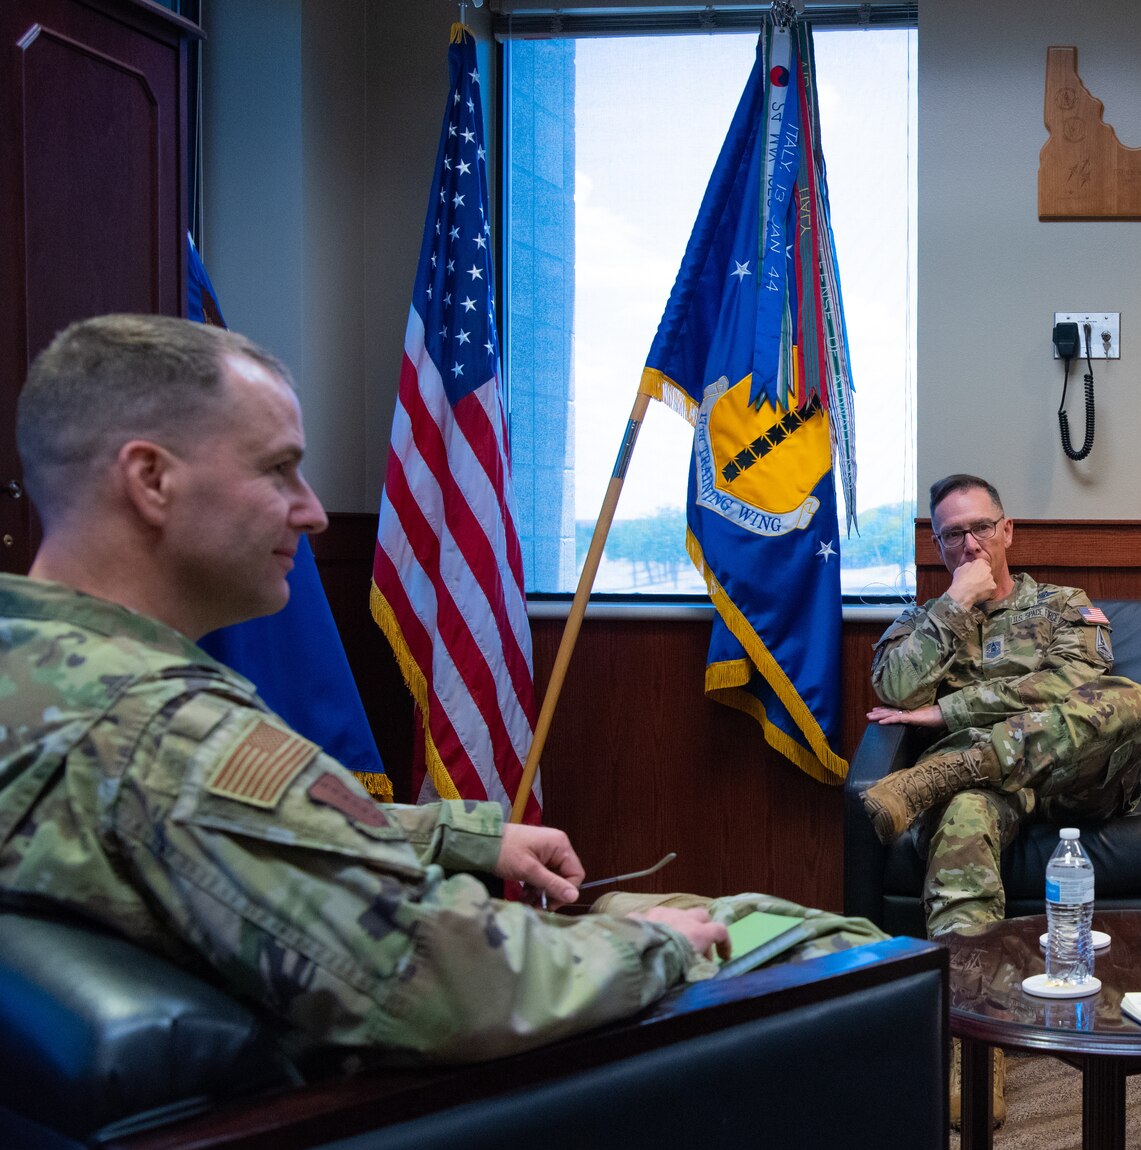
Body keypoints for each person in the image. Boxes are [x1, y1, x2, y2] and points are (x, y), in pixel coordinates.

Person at [1, 313, 882, 1064]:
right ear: (151, 479)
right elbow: (445, 976)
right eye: (278, 470)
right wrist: (652, 945)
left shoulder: (40, 669)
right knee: (823, 944)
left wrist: (466, 835)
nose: (312, 510)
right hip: (413, 1115)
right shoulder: (170, 735)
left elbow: (247, 831)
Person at [864, 474, 1141, 939]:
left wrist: (950, 712)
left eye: (981, 527)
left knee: (1131, 699)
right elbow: (897, 690)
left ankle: (964, 765)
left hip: (1073, 781)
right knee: (962, 812)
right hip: (992, 794)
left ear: (1007, 531)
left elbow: (1072, 682)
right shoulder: (921, 622)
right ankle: (965, 982)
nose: (970, 545)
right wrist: (957, 601)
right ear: (937, 544)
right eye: (953, 534)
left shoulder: (1061, 604)